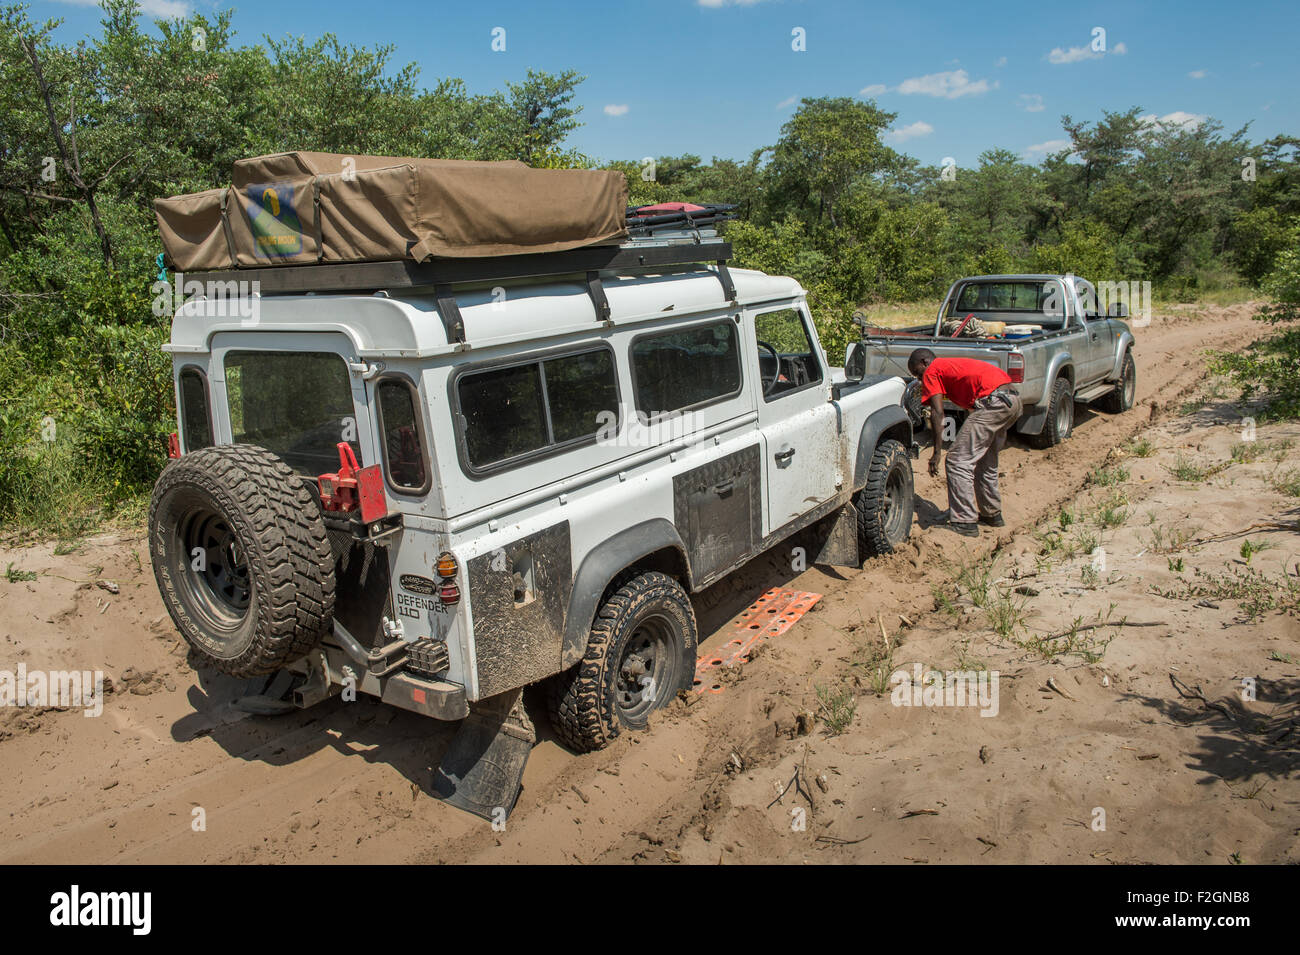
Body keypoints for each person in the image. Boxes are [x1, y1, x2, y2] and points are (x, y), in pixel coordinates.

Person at [907, 348, 1023, 538]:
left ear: (924, 362)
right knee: (985, 461)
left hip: (993, 402)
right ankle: (991, 514)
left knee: (957, 460)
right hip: (1011, 399)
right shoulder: (949, 365)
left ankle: (964, 521)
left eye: (918, 373)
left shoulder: (932, 370)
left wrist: (936, 453)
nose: (921, 379)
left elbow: (937, 413)